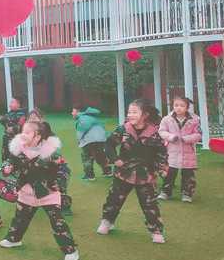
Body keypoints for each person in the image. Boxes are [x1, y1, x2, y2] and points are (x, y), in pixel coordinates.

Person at [0, 121, 79, 260]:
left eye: (28, 132)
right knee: (20, 219)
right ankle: (14, 239)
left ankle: (70, 250)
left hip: (48, 193)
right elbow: (8, 162)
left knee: (58, 222)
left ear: (37, 137)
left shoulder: (51, 153)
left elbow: (64, 169)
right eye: (23, 131)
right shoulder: (18, 151)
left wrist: (59, 184)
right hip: (26, 192)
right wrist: (7, 168)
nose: (23, 134)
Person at [97, 99, 168, 244]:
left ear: (145, 115)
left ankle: (156, 231)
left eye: (135, 112)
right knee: (114, 199)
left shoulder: (154, 132)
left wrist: (162, 168)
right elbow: (109, 144)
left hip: (145, 175)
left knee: (149, 204)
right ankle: (107, 221)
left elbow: (161, 152)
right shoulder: (123, 129)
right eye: (129, 112)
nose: (130, 115)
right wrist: (115, 159)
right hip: (123, 173)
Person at [158, 96, 201, 203]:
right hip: (172, 151)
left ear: (187, 107)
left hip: (188, 151)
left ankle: (187, 193)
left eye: (182, 106)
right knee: (169, 173)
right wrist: (171, 137)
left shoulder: (194, 120)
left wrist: (186, 139)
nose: (178, 108)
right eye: (176, 105)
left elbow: (198, 134)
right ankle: (165, 191)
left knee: (188, 174)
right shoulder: (167, 119)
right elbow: (161, 131)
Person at [72, 106, 112, 180]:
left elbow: (82, 130)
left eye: (73, 111)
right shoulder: (93, 118)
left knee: (86, 157)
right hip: (101, 139)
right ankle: (108, 172)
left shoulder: (82, 118)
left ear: (78, 112)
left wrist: (79, 140)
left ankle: (89, 175)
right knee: (100, 156)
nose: (72, 113)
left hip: (90, 140)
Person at [0, 98, 27, 162]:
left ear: (18, 104)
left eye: (12, 102)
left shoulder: (22, 114)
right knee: (5, 153)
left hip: (15, 139)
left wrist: (12, 128)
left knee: (15, 154)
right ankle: (5, 166)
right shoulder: (10, 113)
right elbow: (1, 119)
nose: (10, 105)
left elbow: (21, 127)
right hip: (7, 138)